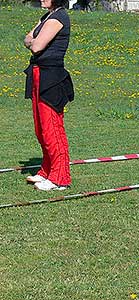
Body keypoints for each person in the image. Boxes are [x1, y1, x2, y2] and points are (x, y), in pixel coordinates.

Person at [23, 0, 74, 191]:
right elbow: (28, 39)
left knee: (52, 128)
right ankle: (46, 170)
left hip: (51, 78)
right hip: (38, 73)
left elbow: (36, 46)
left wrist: (33, 41)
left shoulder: (59, 17)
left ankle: (60, 178)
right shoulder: (46, 17)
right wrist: (32, 40)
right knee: (41, 129)